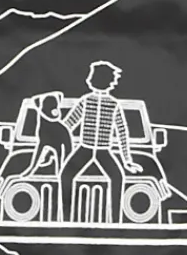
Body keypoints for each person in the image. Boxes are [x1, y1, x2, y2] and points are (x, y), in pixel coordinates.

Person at [59, 61, 142, 222]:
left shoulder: (113, 105)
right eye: (112, 79)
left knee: (118, 178)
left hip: (104, 151)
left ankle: (116, 222)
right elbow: (68, 124)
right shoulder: (86, 101)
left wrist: (127, 160)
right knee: (65, 175)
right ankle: (64, 218)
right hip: (85, 148)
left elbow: (122, 132)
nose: (114, 82)